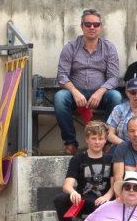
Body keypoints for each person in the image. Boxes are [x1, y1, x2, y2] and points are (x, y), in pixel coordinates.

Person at [52, 9, 123, 151]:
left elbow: (114, 77)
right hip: (75, 94)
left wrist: (100, 92)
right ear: (82, 26)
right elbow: (62, 76)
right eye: (88, 24)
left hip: (100, 94)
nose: (92, 27)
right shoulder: (70, 47)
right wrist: (74, 92)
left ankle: (108, 142)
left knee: (116, 96)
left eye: (96, 25)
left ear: (100, 27)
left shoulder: (109, 48)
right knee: (60, 98)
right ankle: (70, 143)